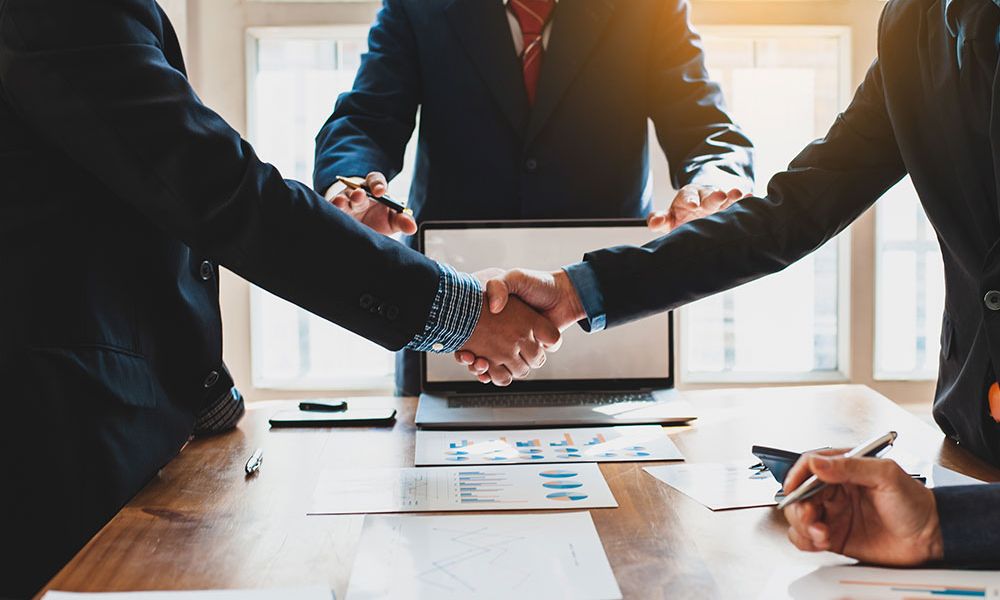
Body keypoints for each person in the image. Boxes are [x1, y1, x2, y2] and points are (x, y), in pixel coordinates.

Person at [0, 1, 560, 596]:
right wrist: (453, 308)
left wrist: (200, 386)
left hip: (106, 409)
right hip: (53, 428)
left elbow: (138, 203)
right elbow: (217, 188)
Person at [458, 0, 1000, 564]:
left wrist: (944, 527)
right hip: (972, 439)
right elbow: (794, 212)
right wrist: (573, 292)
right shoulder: (915, 22)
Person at [314, 0, 755, 395]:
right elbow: (368, 116)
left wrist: (712, 181)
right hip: (452, 301)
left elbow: (708, 127)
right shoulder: (417, 6)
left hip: (606, 301)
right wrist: (350, 179)